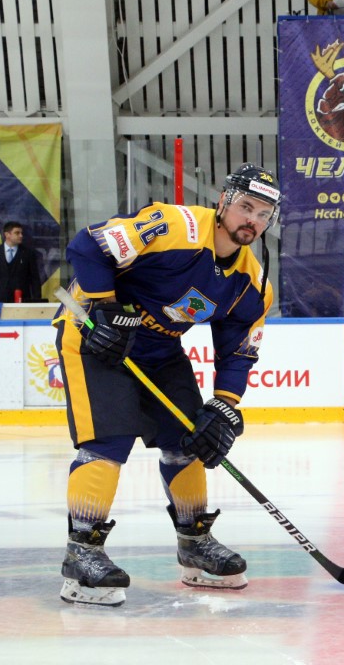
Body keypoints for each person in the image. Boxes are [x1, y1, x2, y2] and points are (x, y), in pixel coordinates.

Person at [54, 163, 282, 607]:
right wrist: (102, 308)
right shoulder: (174, 226)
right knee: (107, 442)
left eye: (263, 214)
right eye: (245, 207)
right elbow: (87, 245)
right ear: (224, 202)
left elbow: (238, 350)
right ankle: (82, 553)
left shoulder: (252, 283)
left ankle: (194, 542)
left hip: (159, 350)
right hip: (94, 340)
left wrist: (224, 406)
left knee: (189, 440)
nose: (252, 220)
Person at [0, 221, 42, 302]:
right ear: (7, 235)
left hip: (22, 300)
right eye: (17, 233)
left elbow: (35, 279)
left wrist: (37, 301)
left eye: (21, 233)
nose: (21, 235)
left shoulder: (28, 253)